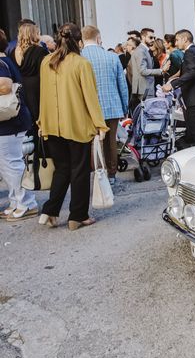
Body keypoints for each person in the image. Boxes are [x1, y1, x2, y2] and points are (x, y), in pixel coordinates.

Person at [38, 23, 108, 230]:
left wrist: (42, 121)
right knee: (79, 170)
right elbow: (90, 98)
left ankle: (50, 211)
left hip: (51, 125)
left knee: (61, 170)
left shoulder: (46, 62)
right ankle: (77, 216)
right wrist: (99, 125)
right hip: (77, 124)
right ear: (78, 41)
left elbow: (43, 95)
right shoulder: (81, 63)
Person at [80, 25, 129, 186]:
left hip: (87, 108)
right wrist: (124, 106)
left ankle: (95, 173)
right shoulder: (112, 57)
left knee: (90, 142)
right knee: (110, 143)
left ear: (82, 40)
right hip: (112, 106)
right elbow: (122, 84)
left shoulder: (79, 57)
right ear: (99, 38)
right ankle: (112, 175)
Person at [0, 29, 39, 221]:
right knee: (7, 164)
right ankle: (16, 201)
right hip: (11, 122)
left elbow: (5, 86)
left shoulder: (1, 62)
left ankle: (26, 203)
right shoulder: (6, 60)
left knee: (12, 164)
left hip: (10, 122)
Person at [162, 29, 195, 148]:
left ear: (185, 39)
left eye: (177, 40)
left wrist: (172, 84)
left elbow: (191, 72)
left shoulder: (190, 53)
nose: (175, 43)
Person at [11, 23, 48, 129]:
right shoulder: (40, 51)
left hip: (20, 88)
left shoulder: (14, 52)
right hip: (37, 88)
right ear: (34, 34)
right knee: (39, 121)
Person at [128, 28, 162, 111]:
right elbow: (142, 70)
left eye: (154, 38)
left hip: (144, 87)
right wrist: (161, 71)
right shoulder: (141, 50)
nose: (153, 40)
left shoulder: (144, 50)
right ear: (143, 37)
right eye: (150, 37)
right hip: (144, 88)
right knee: (147, 115)